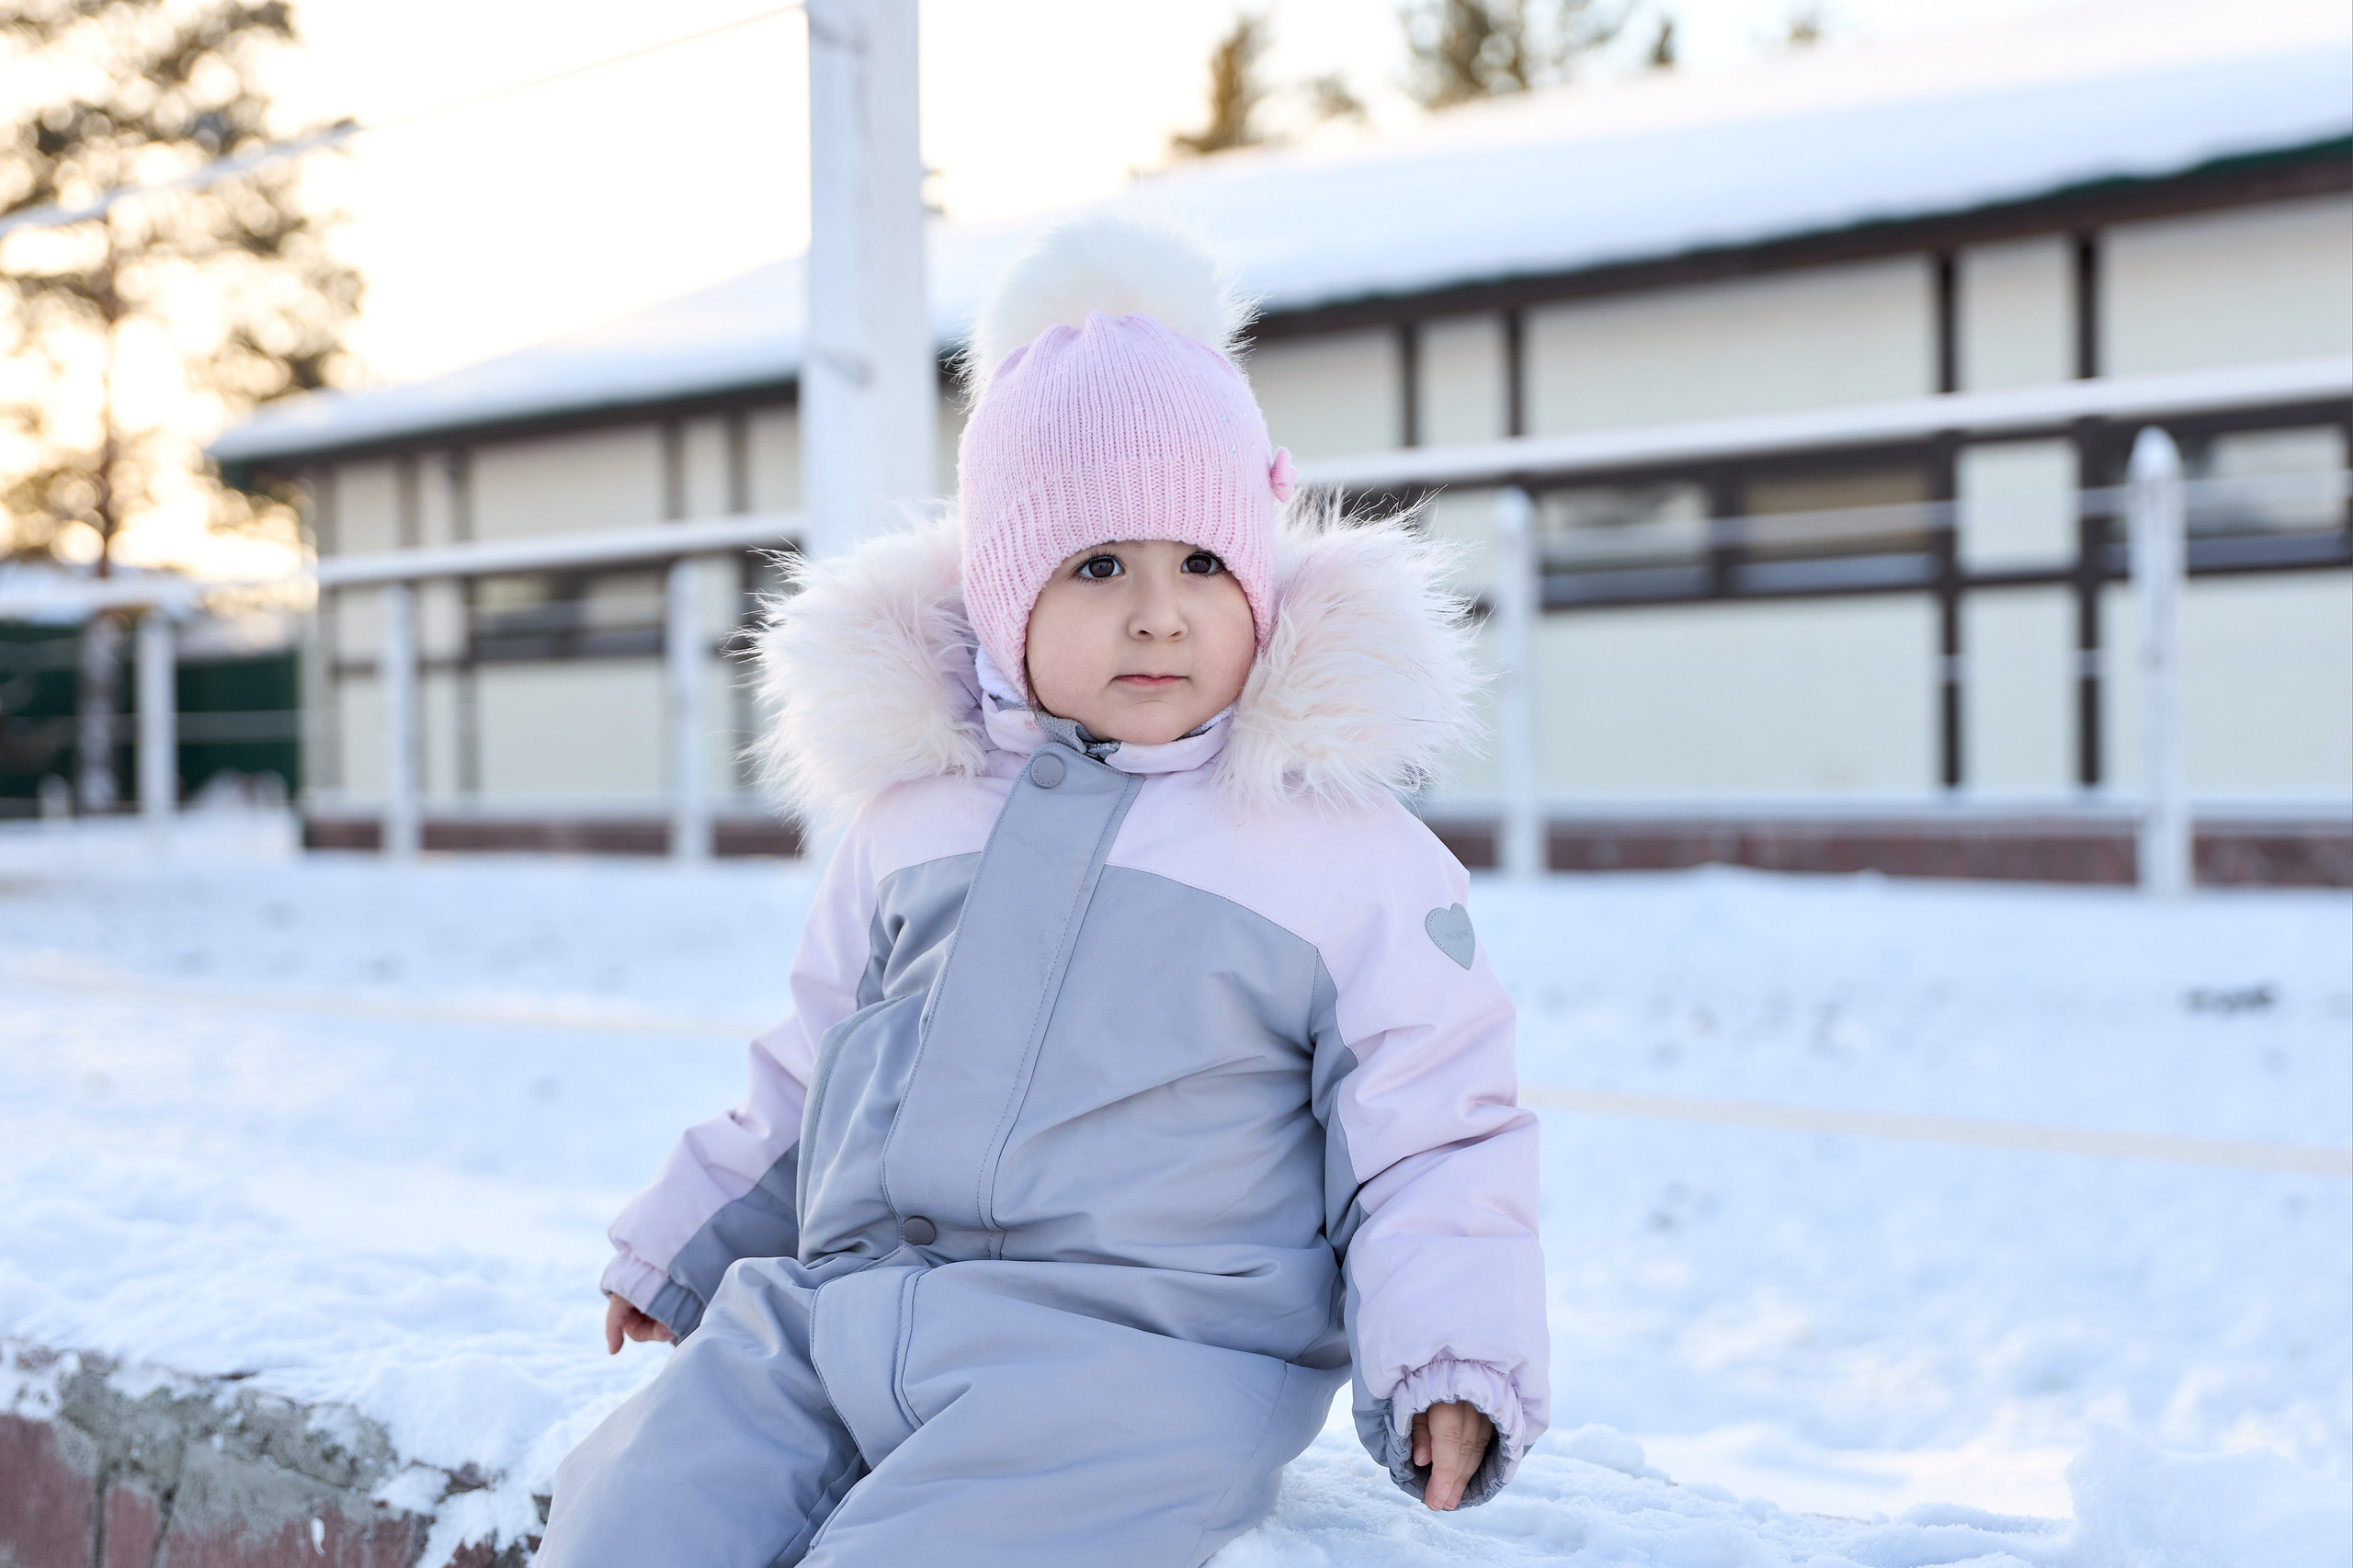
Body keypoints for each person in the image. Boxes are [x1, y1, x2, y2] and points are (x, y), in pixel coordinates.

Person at [535, 215, 1547, 1568]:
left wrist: (1452, 1354)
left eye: (1201, 563)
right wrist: (693, 1234)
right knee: (641, 1503)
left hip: (1143, 1358)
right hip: (842, 1311)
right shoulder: (913, 812)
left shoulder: (1331, 848)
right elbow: (815, 1065)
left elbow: (1435, 1128)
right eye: (1096, 566)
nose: (1159, 613)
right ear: (1004, 588)